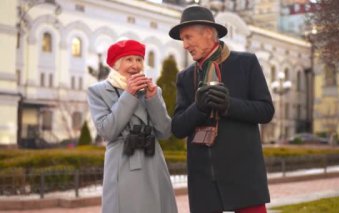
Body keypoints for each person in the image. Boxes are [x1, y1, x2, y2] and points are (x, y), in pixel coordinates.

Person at [170, 6, 275, 213]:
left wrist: (229, 105)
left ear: (208, 33)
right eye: (182, 39)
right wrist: (198, 107)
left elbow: (265, 111)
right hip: (203, 180)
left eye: (188, 37)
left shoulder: (246, 63)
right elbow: (178, 128)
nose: (185, 45)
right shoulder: (185, 77)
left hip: (243, 172)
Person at [87, 39, 177, 213]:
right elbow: (107, 130)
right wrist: (128, 95)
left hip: (153, 161)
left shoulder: (152, 90)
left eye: (139, 60)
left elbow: (165, 132)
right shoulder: (98, 91)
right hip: (123, 160)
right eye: (129, 60)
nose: (135, 65)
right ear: (116, 64)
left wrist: (153, 99)